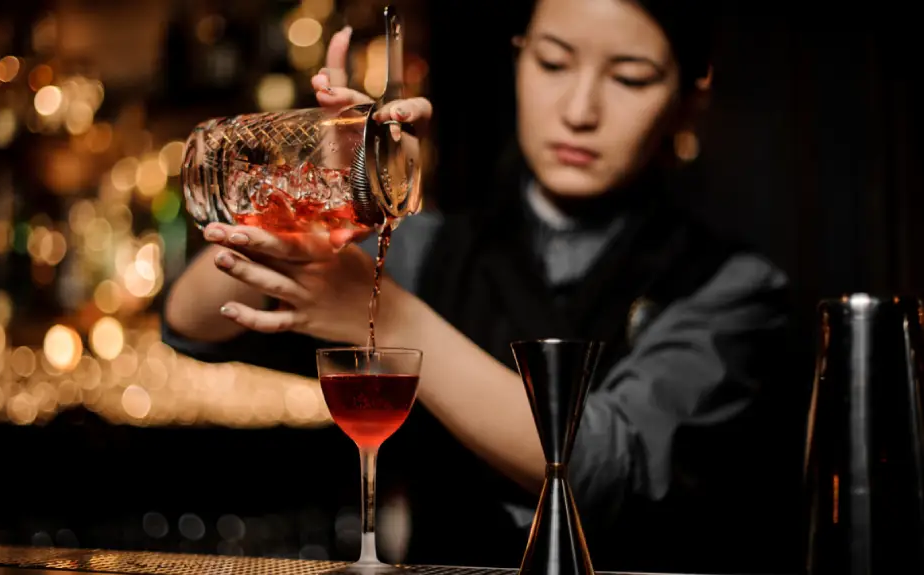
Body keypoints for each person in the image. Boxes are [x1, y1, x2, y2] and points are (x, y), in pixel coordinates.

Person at [163, 0, 803, 571]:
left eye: (630, 78)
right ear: (519, 61)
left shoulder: (733, 290)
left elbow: (603, 472)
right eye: (554, 63)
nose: (580, 111)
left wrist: (392, 320)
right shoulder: (431, 246)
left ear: (689, 101)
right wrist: (325, 193)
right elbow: (192, 325)